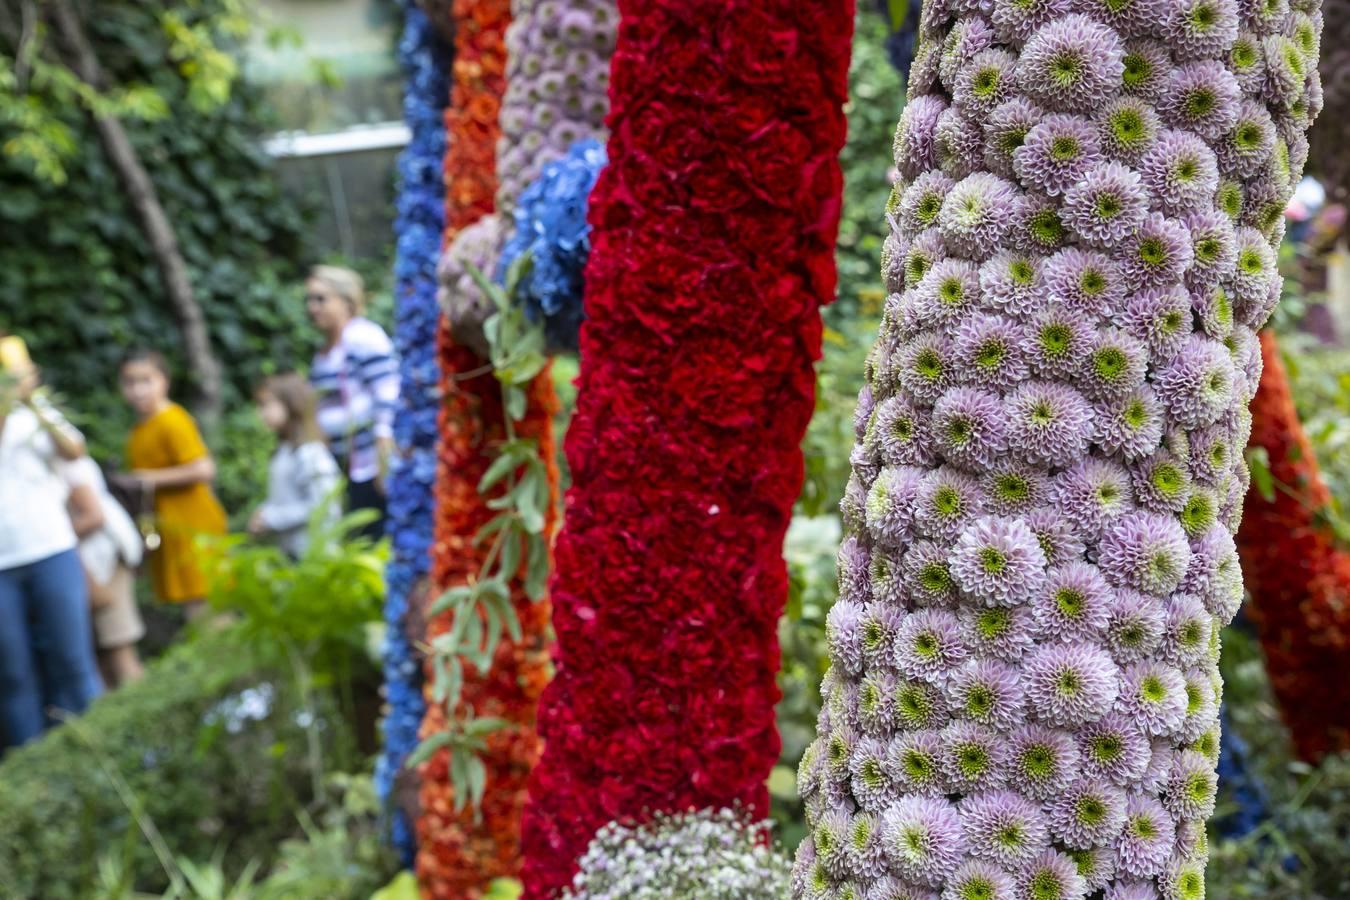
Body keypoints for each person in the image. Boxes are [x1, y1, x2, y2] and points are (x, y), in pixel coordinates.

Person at [0, 333, 102, 749]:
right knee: (12, 673)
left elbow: (74, 451)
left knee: (72, 659)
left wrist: (33, 404)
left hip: (51, 550)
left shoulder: (35, 417)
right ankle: (33, 771)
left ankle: (99, 750)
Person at [118, 349, 227, 619]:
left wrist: (147, 479)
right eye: (130, 382)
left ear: (164, 381)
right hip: (168, 527)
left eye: (146, 381)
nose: (138, 390)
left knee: (205, 607)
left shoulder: (172, 420)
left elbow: (204, 468)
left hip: (193, 527)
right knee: (194, 608)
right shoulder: (139, 430)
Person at [304, 265, 398, 540]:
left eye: (321, 299)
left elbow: (388, 393)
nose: (313, 307)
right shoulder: (324, 351)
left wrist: (385, 460)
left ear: (347, 301)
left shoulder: (363, 337)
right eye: (309, 300)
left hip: (369, 464)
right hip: (342, 465)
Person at [63, 455, 146, 687]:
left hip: (103, 559)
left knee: (119, 647)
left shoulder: (65, 463)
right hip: (87, 564)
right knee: (102, 655)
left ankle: (143, 713)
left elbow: (94, 516)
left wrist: (49, 539)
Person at [248, 373, 341, 557]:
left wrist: (271, 518)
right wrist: (264, 512)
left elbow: (323, 506)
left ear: (291, 404)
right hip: (290, 553)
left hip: (314, 555)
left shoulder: (311, 452)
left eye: (266, 405)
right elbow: (286, 499)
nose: (261, 413)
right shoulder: (284, 450)